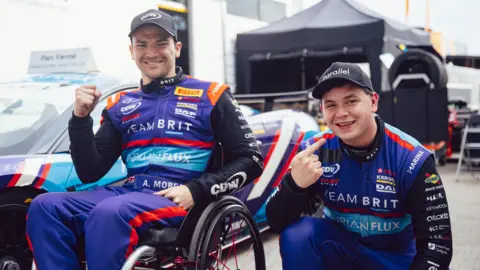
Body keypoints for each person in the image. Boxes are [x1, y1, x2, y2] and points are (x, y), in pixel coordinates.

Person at [26, 9, 264, 270]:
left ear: (177, 48)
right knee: (44, 206)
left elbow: (251, 160)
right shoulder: (120, 104)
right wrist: (81, 119)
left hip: (177, 197)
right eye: (142, 44)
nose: (151, 52)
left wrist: (196, 190)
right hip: (129, 193)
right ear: (131, 51)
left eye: (161, 43)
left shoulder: (212, 94)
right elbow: (89, 171)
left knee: (111, 213)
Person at [266, 62, 453, 270]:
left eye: (351, 101)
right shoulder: (314, 149)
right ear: (322, 110)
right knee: (298, 235)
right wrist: (294, 186)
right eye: (331, 105)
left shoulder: (412, 158)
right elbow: (276, 223)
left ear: (373, 102)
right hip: (343, 253)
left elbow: (437, 244)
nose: (341, 113)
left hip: (396, 260)